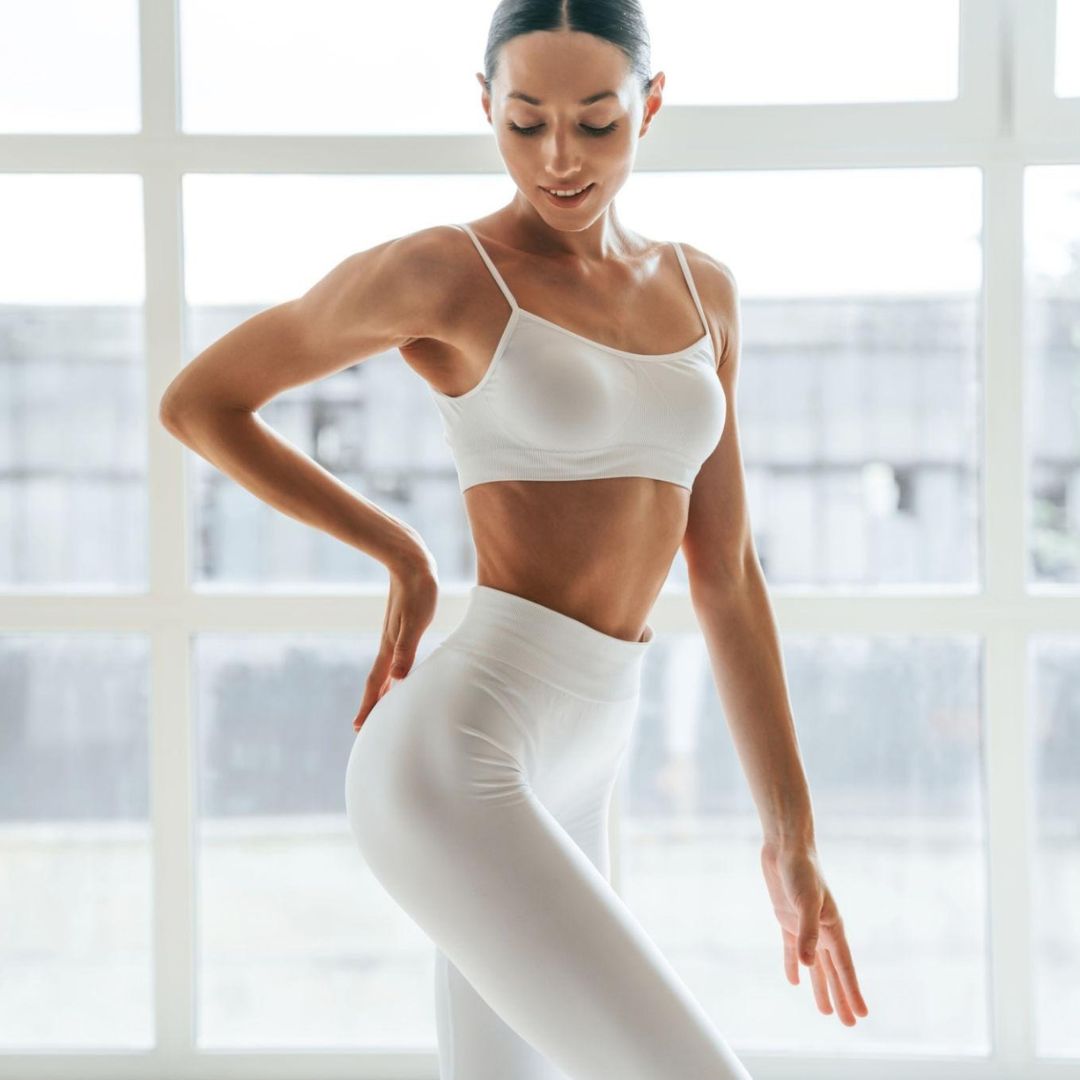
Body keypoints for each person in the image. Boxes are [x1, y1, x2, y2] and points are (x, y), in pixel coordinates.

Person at [159, 2, 870, 1076]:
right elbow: (202, 400)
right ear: (484, 105)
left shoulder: (702, 291)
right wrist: (398, 550)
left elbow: (723, 574)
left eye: (597, 123)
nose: (558, 157)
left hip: (590, 751)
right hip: (458, 751)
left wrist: (793, 838)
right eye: (525, 120)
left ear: (652, 106)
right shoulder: (446, 271)